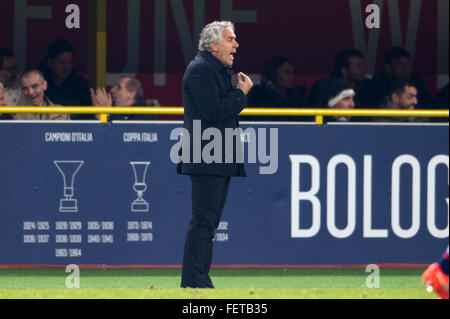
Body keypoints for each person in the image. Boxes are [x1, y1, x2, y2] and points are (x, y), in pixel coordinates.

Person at [177, 21, 253, 288]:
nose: (236, 45)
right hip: (206, 154)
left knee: (209, 222)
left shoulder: (219, 70)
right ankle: (194, 280)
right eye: (231, 39)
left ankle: (199, 279)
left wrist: (237, 94)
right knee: (203, 220)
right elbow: (215, 111)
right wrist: (242, 95)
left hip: (219, 154)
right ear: (213, 45)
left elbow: (221, 111)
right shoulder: (200, 70)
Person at [365, 47, 434, 109]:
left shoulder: (417, 84)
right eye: (400, 64)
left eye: (408, 64)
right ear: (388, 68)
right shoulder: (377, 86)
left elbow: (429, 107)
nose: (405, 68)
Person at [39, 39, 93, 120]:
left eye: (69, 62)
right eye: (61, 62)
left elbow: (89, 116)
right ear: (50, 63)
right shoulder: (40, 85)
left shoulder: (81, 85)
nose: (66, 67)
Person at [246, 56, 307, 121]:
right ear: (273, 73)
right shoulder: (260, 92)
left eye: (292, 72)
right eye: (287, 72)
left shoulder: (293, 93)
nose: (291, 76)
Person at [90, 76, 158, 121]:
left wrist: (107, 115)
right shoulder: (110, 109)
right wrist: (99, 117)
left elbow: (122, 135)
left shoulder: (147, 115)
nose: (112, 90)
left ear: (131, 94)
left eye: (118, 87)